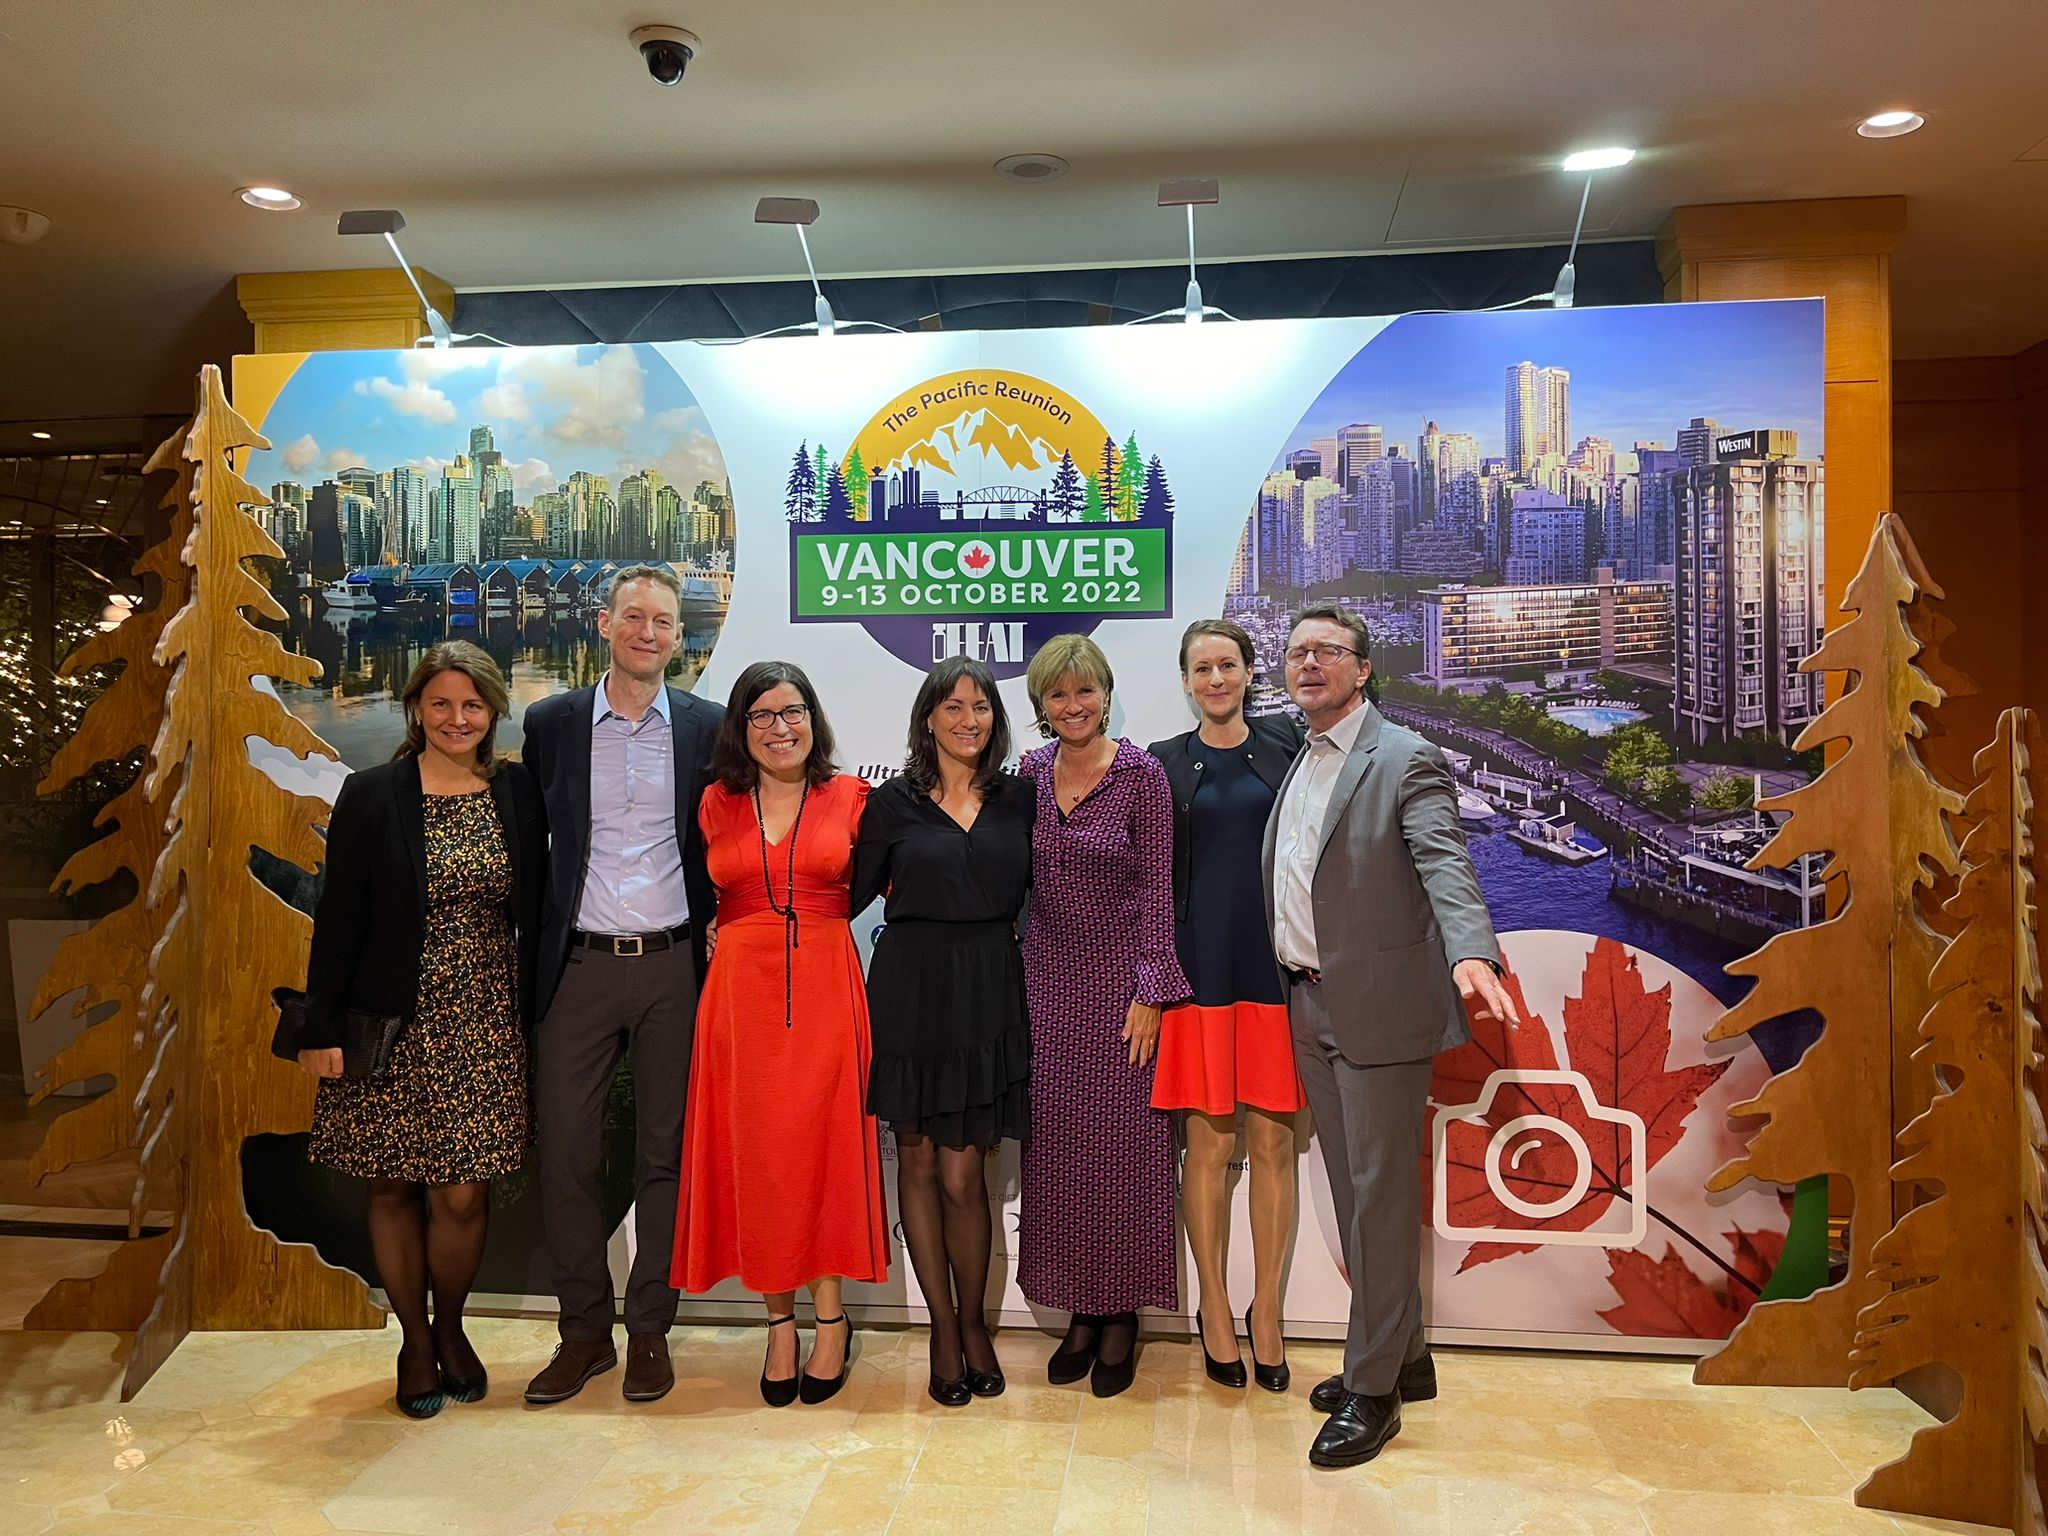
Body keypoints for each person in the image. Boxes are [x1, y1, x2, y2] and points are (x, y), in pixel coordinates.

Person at [1264, 602, 1518, 1469]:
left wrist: (1472, 952)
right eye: (1297, 651)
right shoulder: (1302, 758)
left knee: (1375, 1198)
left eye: (1328, 652)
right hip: (1309, 1003)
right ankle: (1405, 1355)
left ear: (1364, 669)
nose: (1308, 664)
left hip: (1377, 1009)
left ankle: (1372, 1392)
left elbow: (1446, 861)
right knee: (1355, 1194)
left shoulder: (1405, 757)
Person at [298, 642, 545, 1419]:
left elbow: (539, 906)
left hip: (485, 1017)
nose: (456, 718)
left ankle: (451, 1326)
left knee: (463, 1193)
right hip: (389, 1018)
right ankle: (413, 1340)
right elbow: (338, 918)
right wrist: (320, 1027)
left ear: (493, 711)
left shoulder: (517, 791)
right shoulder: (372, 794)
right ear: (415, 709)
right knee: (392, 1183)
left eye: (472, 705)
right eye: (441, 703)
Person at [519, 565, 722, 1407]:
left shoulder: (710, 726)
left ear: (679, 635)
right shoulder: (552, 722)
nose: (648, 632)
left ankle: (648, 1331)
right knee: (566, 1153)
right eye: (633, 617)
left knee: (665, 1157)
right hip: (578, 965)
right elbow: (533, 841)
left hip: (676, 964)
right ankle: (582, 1334)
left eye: (663, 621)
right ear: (604, 625)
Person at [672, 661, 888, 1407]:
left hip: (826, 991)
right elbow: (695, 894)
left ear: (812, 719)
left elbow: (908, 881)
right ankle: (778, 1323)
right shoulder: (714, 803)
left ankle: (831, 1320)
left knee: (820, 1150)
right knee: (759, 1155)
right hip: (739, 999)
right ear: (741, 728)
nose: (779, 727)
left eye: (791, 711)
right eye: (761, 715)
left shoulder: (853, 797)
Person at [853, 657, 1033, 1407]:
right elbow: (840, 895)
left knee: (965, 1176)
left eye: (981, 706)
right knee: (920, 1166)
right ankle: (943, 1330)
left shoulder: (1021, 796)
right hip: (911, 989)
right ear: (927, 718)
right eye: (952, 706)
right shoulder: (890, 803)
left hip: (988, 988)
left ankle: (975, 1324)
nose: (968, 719)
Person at [1015, 633, 1190, 1398]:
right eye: (1057, 693)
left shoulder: (1142, 776)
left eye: (1085, 690)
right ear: (1041, 705)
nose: (1073, 705)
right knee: (1059, 1156)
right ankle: (1081, 1312)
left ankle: (1121, 1316)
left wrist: (1151, 992)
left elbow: (1157, 890)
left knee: (1124, 1156)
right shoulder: (1029, 773)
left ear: (1107, 694)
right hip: (1046, 988)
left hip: (1123, 993)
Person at [1147, 619, 1305, 1393]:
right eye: (1202, 668)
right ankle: (1213, 1304)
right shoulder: (1160, 764)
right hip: (1198, 974)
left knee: (1273, 1145)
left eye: (1228, 665)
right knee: (1208, 1148)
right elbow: (1147, 882)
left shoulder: (1288, 749)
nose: (1216, 679)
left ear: (1248, 673)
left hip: (1273, 972)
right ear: (1185, 681)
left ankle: (1266, 1311)